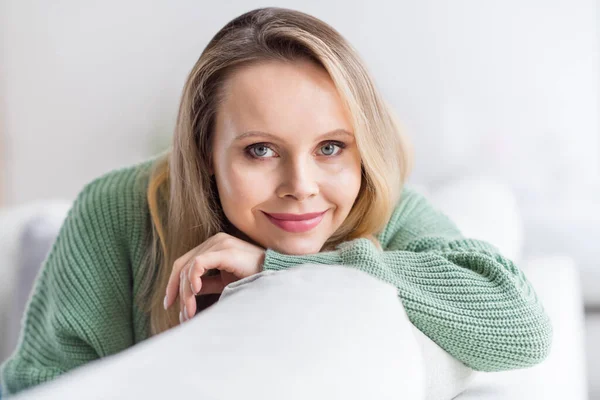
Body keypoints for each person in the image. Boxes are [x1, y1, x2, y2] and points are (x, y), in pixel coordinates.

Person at [0, 6, 552, 397]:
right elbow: (44, 383)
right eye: (260, 150)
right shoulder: (116, 208)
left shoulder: (382, 207)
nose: (302, 184)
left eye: (331, 147)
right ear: (203, 149)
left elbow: (522, 328)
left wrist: (287, 264)